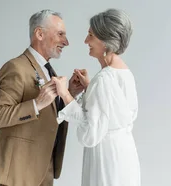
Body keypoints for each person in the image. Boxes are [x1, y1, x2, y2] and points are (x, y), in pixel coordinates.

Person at [0, 9, 84, 186]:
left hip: (43, 171)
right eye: (60, 34)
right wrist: (36, 104)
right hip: (18, 175)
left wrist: (69, 92)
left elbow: (49, 114)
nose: (66, 42)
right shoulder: (15, 68)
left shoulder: (48, 70)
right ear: (39, 33)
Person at [52, 8, 141, 186]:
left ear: (105, 41)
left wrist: (65, 94)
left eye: (90, 35)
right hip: (124, 156)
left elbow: (90, 132)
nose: (86, 41)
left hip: (106, 160)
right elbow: (115, 110)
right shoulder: (125, 72)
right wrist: (90, 88)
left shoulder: (103, 79)